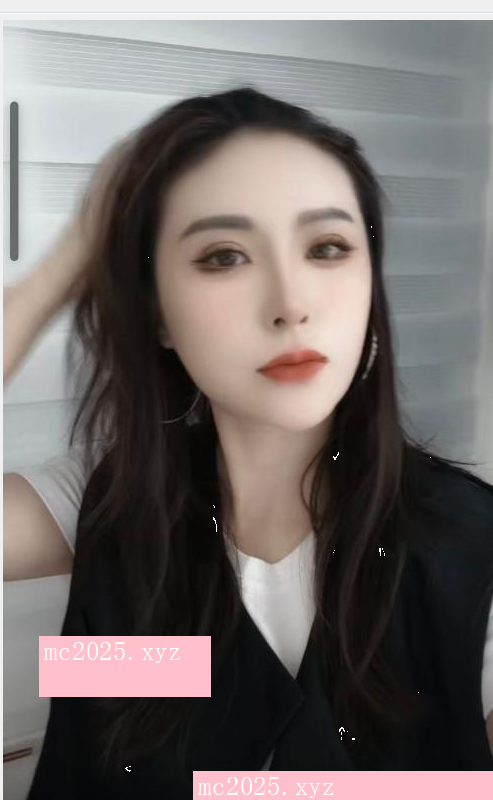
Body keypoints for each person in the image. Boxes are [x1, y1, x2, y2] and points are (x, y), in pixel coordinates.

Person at [3, 87, 493, 795]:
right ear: (157, 313)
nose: (290, 304)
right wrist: (64, 266)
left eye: (327, 248)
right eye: (224, 256)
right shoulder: (108, 503)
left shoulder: (469, 543)